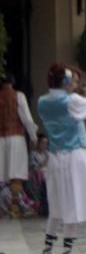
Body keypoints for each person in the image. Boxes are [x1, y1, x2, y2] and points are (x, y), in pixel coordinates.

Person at [36, 64, 86, 254]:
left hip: (55, 156)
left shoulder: (42, 101)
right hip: (75, 154)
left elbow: (82, 106)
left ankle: (48, 247)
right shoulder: (71, 100)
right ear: (66, 82)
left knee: (56, 203)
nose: (76, 85)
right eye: (74, 81)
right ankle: (67, 251)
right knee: (72, 203)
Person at [0, 73, 38, 218]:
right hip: (15, 137)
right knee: (15, 173)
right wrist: (33, 135)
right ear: (13, 81)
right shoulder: (19, 96)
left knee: (2, 172)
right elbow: (26, 117)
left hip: (0, 138)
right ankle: (14, 208)